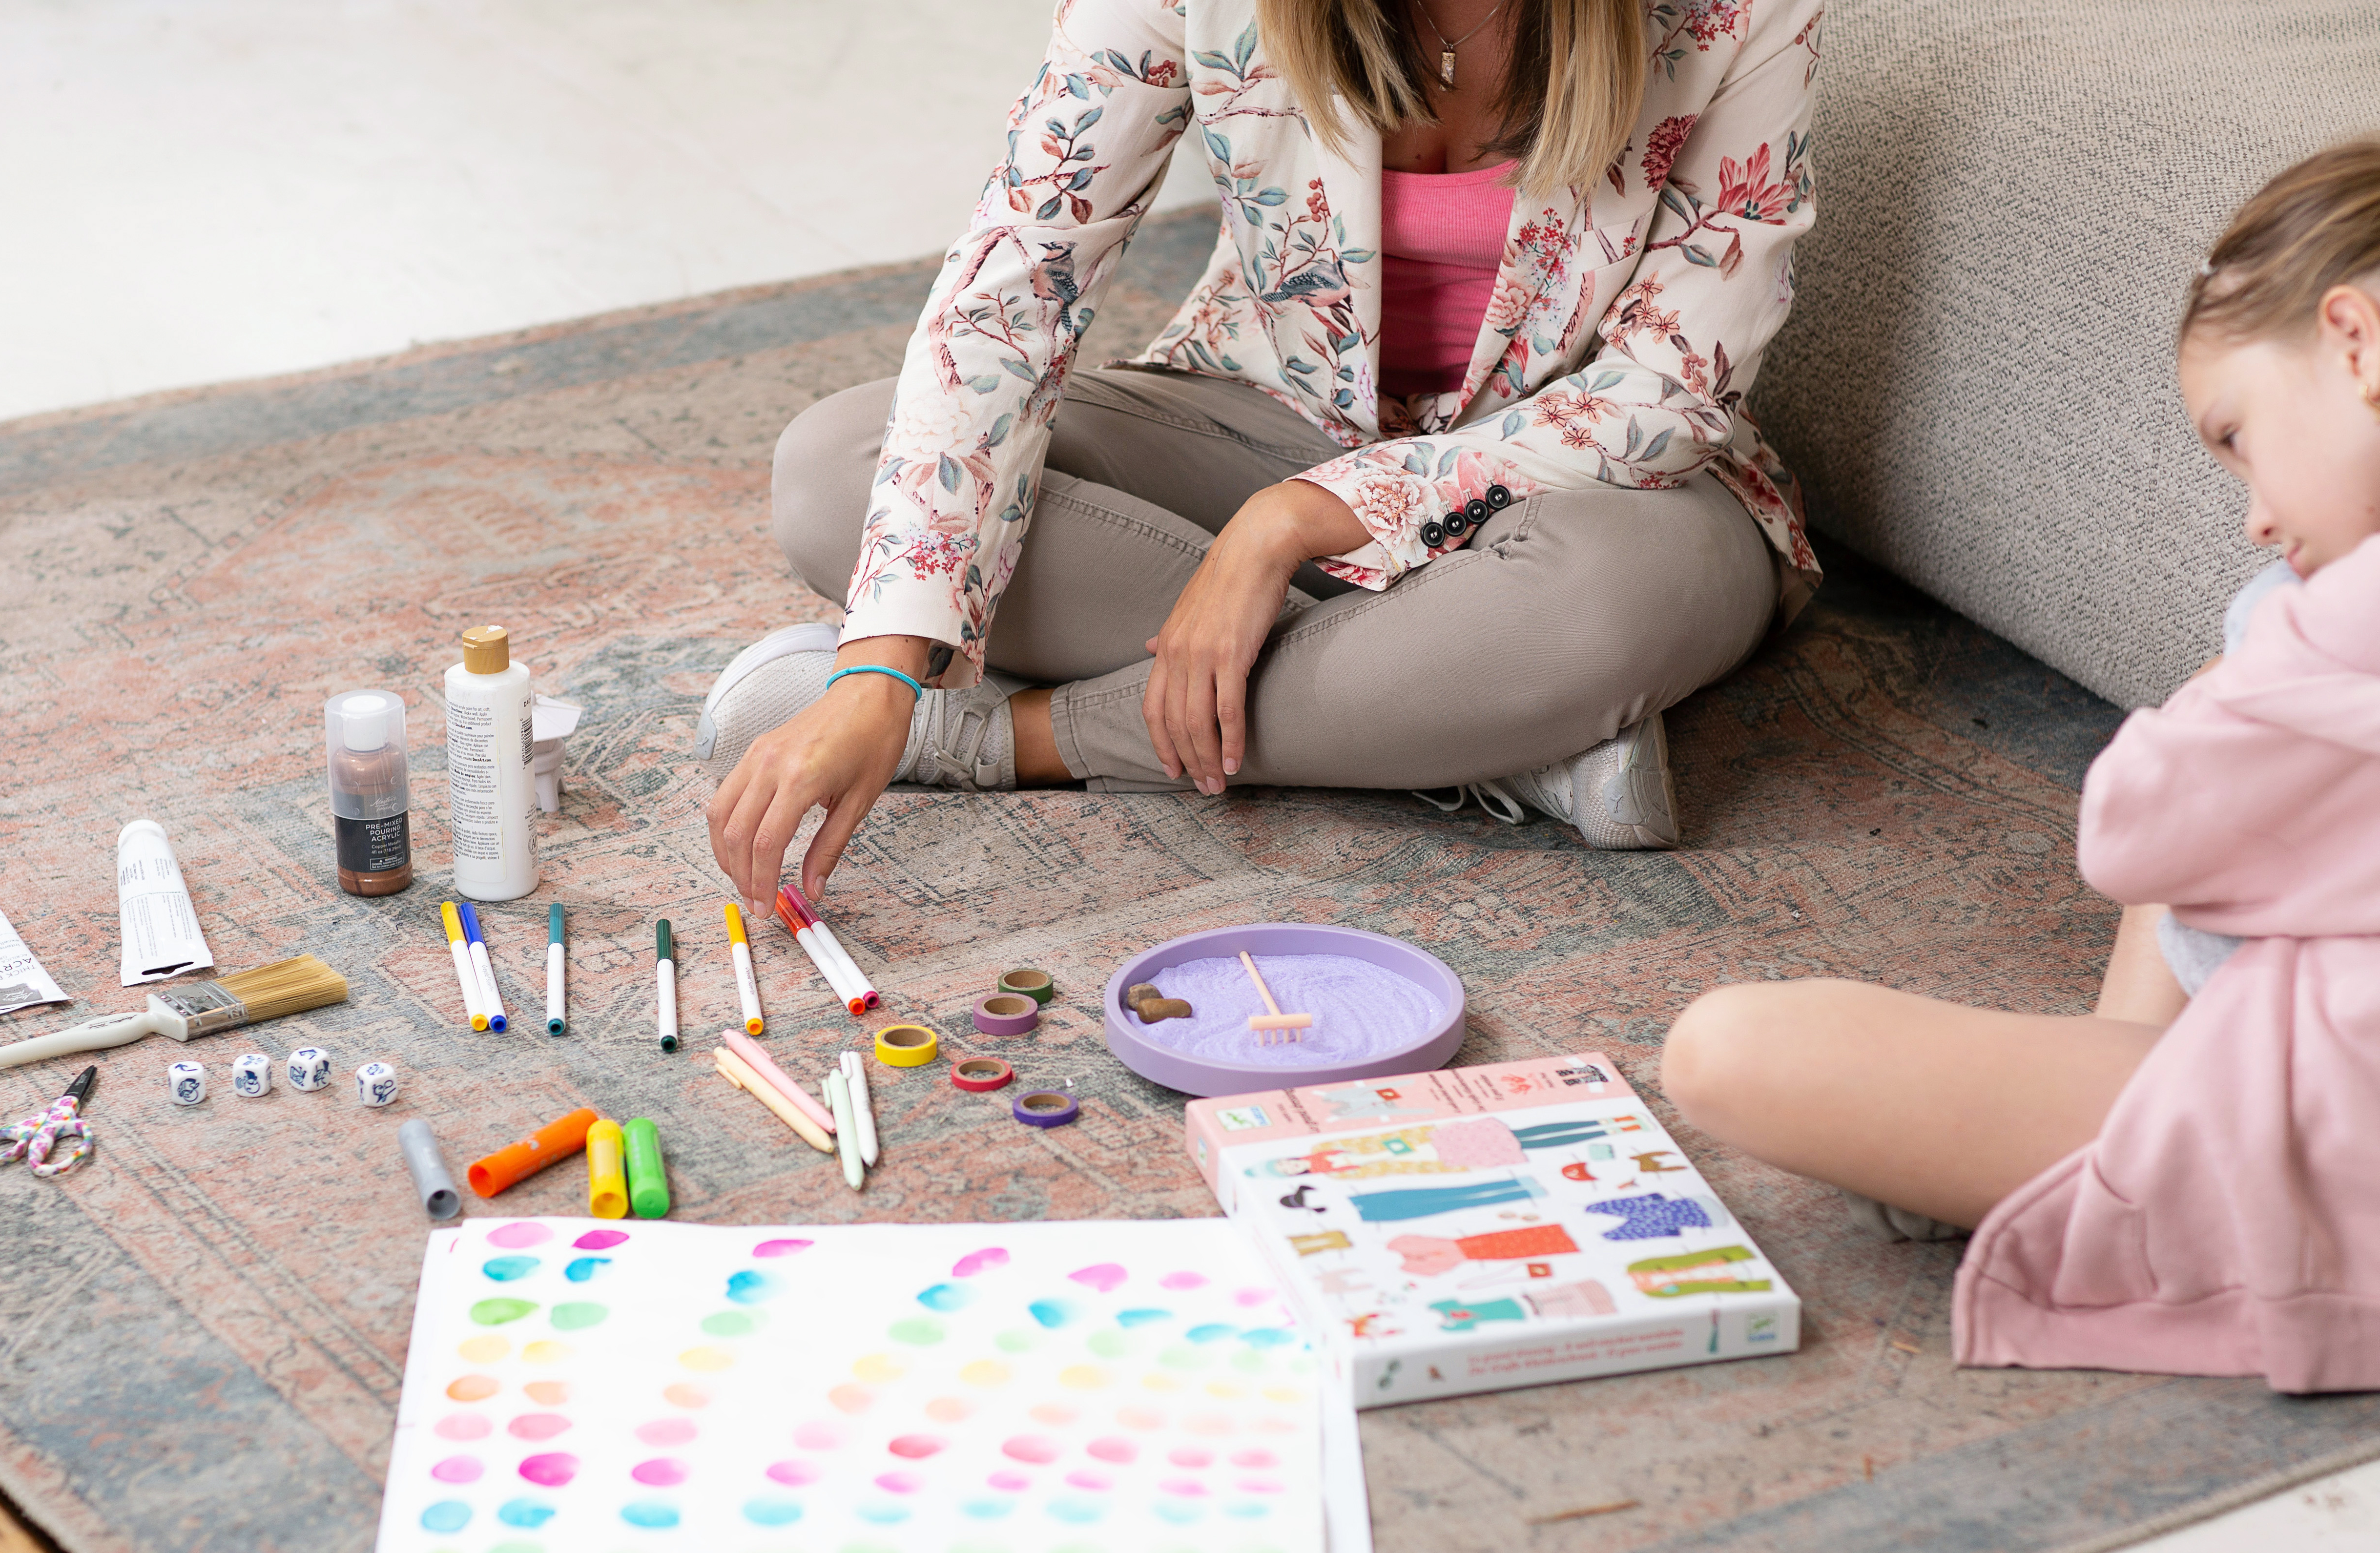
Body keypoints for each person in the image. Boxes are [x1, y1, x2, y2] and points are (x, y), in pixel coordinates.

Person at [700, 0, 1826, 909]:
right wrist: (879, 668)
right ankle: (1480, 724)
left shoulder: (1738, 10)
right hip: (1269, 408)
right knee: (831, 470)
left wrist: (1290, 522)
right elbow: (1015, 285)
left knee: (1596, 614)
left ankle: (1005, 736)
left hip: (1595, 487)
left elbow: (1671, 391)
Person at [1658, 139, 2380, 1393]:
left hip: (2326, 1146)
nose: (2255, 511)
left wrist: (2237, 667)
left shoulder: (2332, 618)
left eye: (2237, 436)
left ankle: (2090, 1146)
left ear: (2355, 342)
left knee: (1719, 1053)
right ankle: (2084, 1102)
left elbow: (2129, 837)